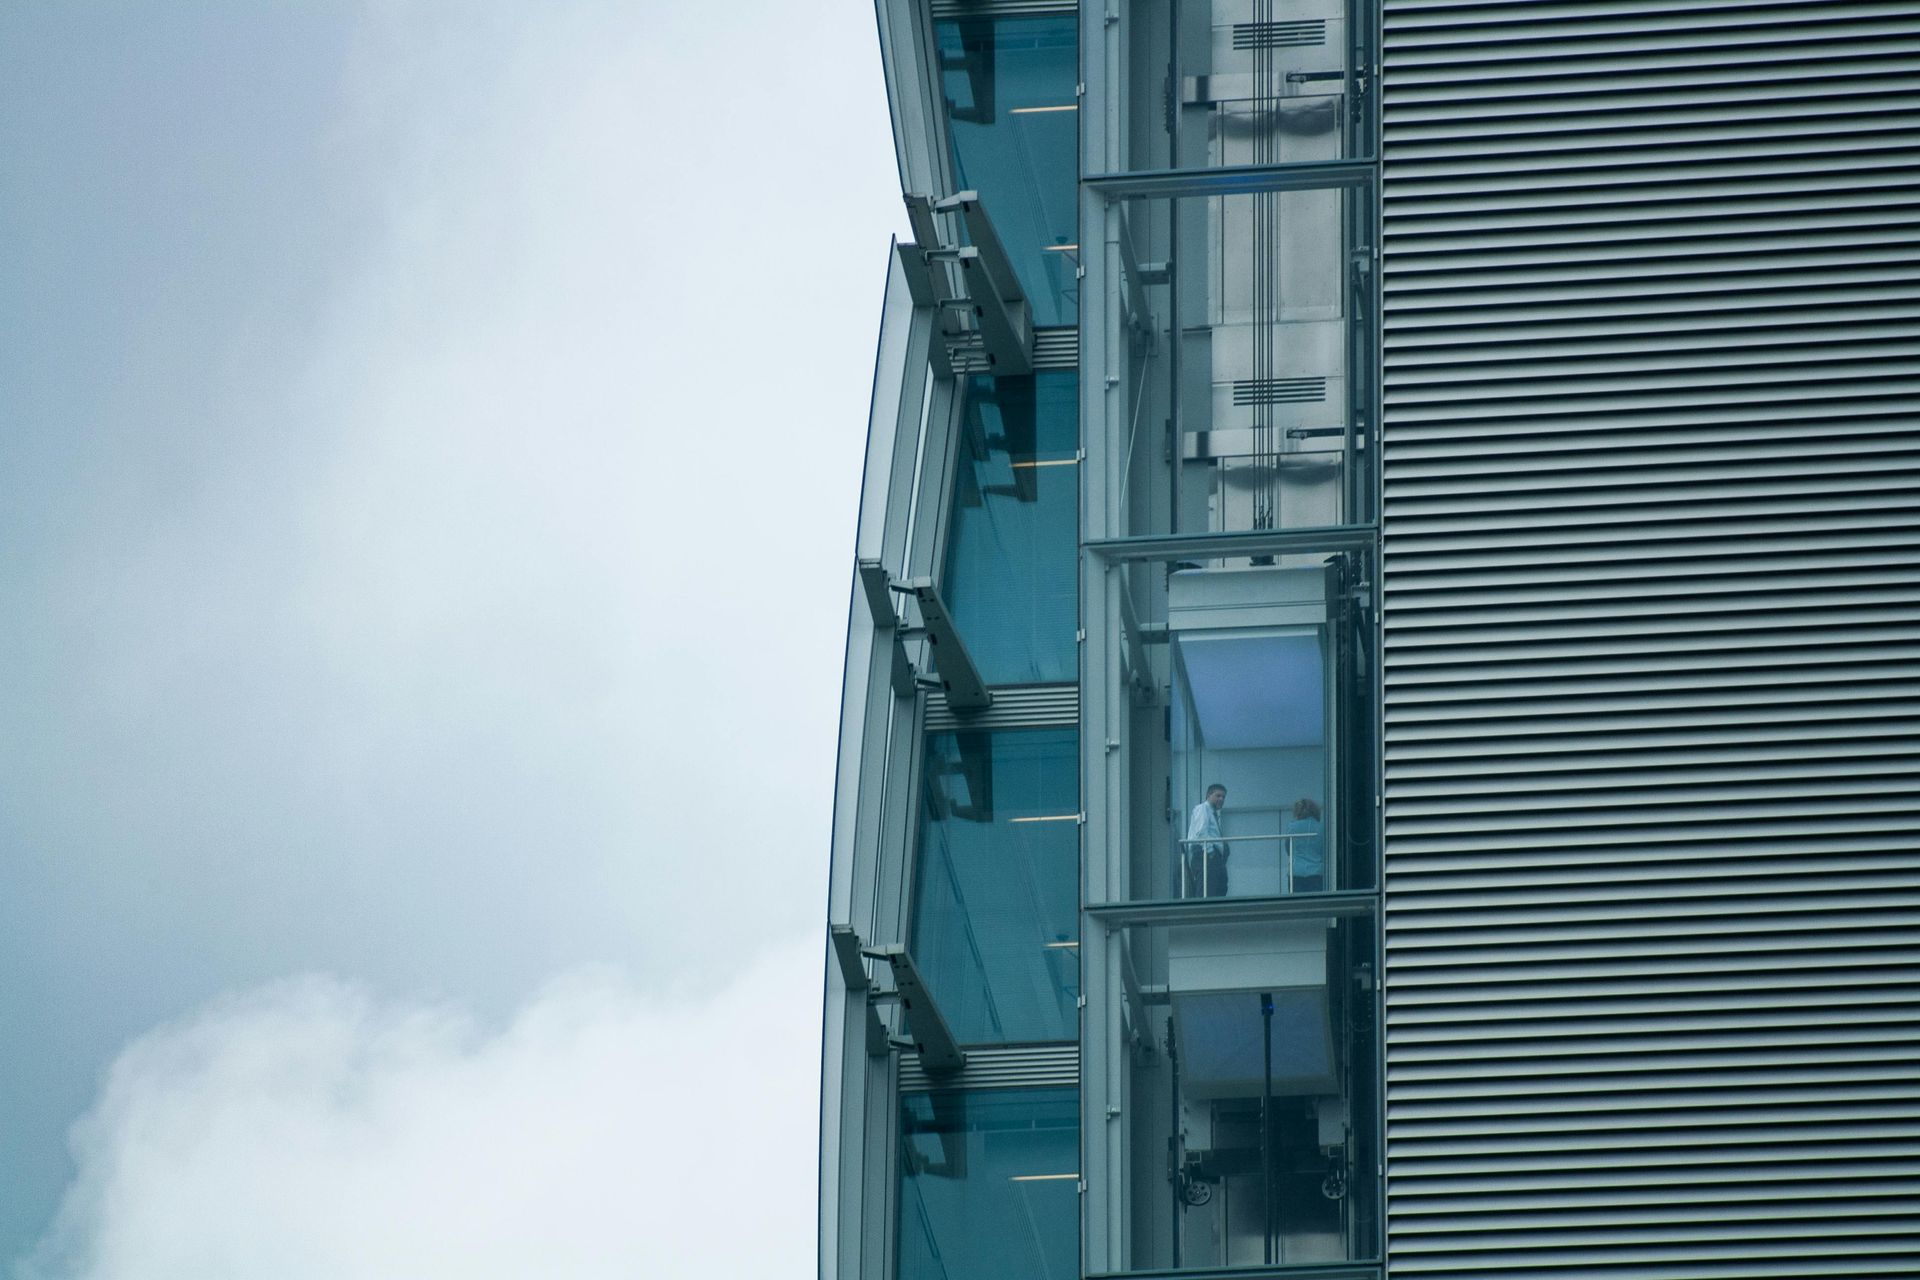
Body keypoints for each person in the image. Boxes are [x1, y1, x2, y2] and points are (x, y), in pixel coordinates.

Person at [1185, 784, 1228, 897]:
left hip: (1214, 858)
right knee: (1206, 890)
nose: (1221, 799)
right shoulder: (1202, 808)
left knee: (1219, 888)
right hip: (1206, 855)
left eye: (1223, 797)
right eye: (1218, 796)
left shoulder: (1214, 814)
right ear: (1208, 795)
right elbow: (1201, 832)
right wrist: (1210, 853)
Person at [1289, 797, 1325, 893]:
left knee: (1297, 905)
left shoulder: (1292, 826)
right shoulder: (1322, 827)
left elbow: (1288, 849)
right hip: (1316, 872)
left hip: (1296, 872)